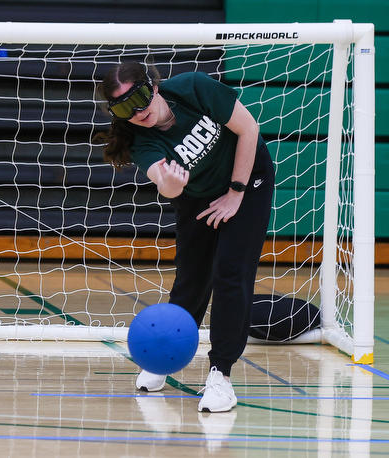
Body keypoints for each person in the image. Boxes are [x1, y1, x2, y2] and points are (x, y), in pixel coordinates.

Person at [94, 62, 275, 413]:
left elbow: (249, 129)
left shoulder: (194, 88)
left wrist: (236, 192)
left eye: (141, 97)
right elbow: (162, 181)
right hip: (197, 194)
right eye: (123, 108)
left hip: (247, 181)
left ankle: (221, 375)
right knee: (191, 280)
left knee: (230, 274)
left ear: (154, 87)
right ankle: (164, 356)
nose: (137, 111)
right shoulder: (141, 141)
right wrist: (171, 185)